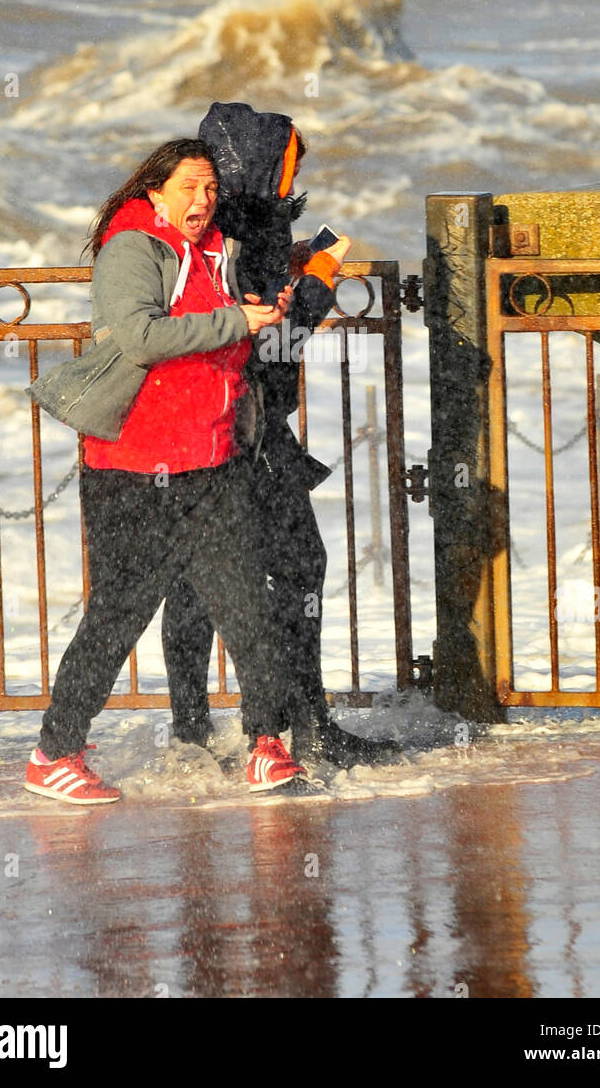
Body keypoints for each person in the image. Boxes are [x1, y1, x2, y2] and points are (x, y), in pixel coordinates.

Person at [23, 138, 312, 804]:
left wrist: (271, 306)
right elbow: (140, 337)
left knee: (247, 604)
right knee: (119, 614)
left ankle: (266, 745)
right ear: (152, 193)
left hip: (210, 458)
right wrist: (235, 319)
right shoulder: (132, 248)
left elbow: (224, 337)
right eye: (188, 187)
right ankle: (54, 752)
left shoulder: (215, 254)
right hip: (133, 465)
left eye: (210, 189)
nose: (203, 200)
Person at [162, 103, 399, 769]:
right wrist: (320, 278)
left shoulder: (210, 233)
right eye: (289, 160)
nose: (295, 175)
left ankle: (191, 739)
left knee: (192, 582)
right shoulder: (248, 238)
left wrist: (289, 264)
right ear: (262, 165)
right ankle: (307, 728)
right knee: (298, 566)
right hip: (249, 438)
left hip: (192, 433)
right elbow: (274, 347)